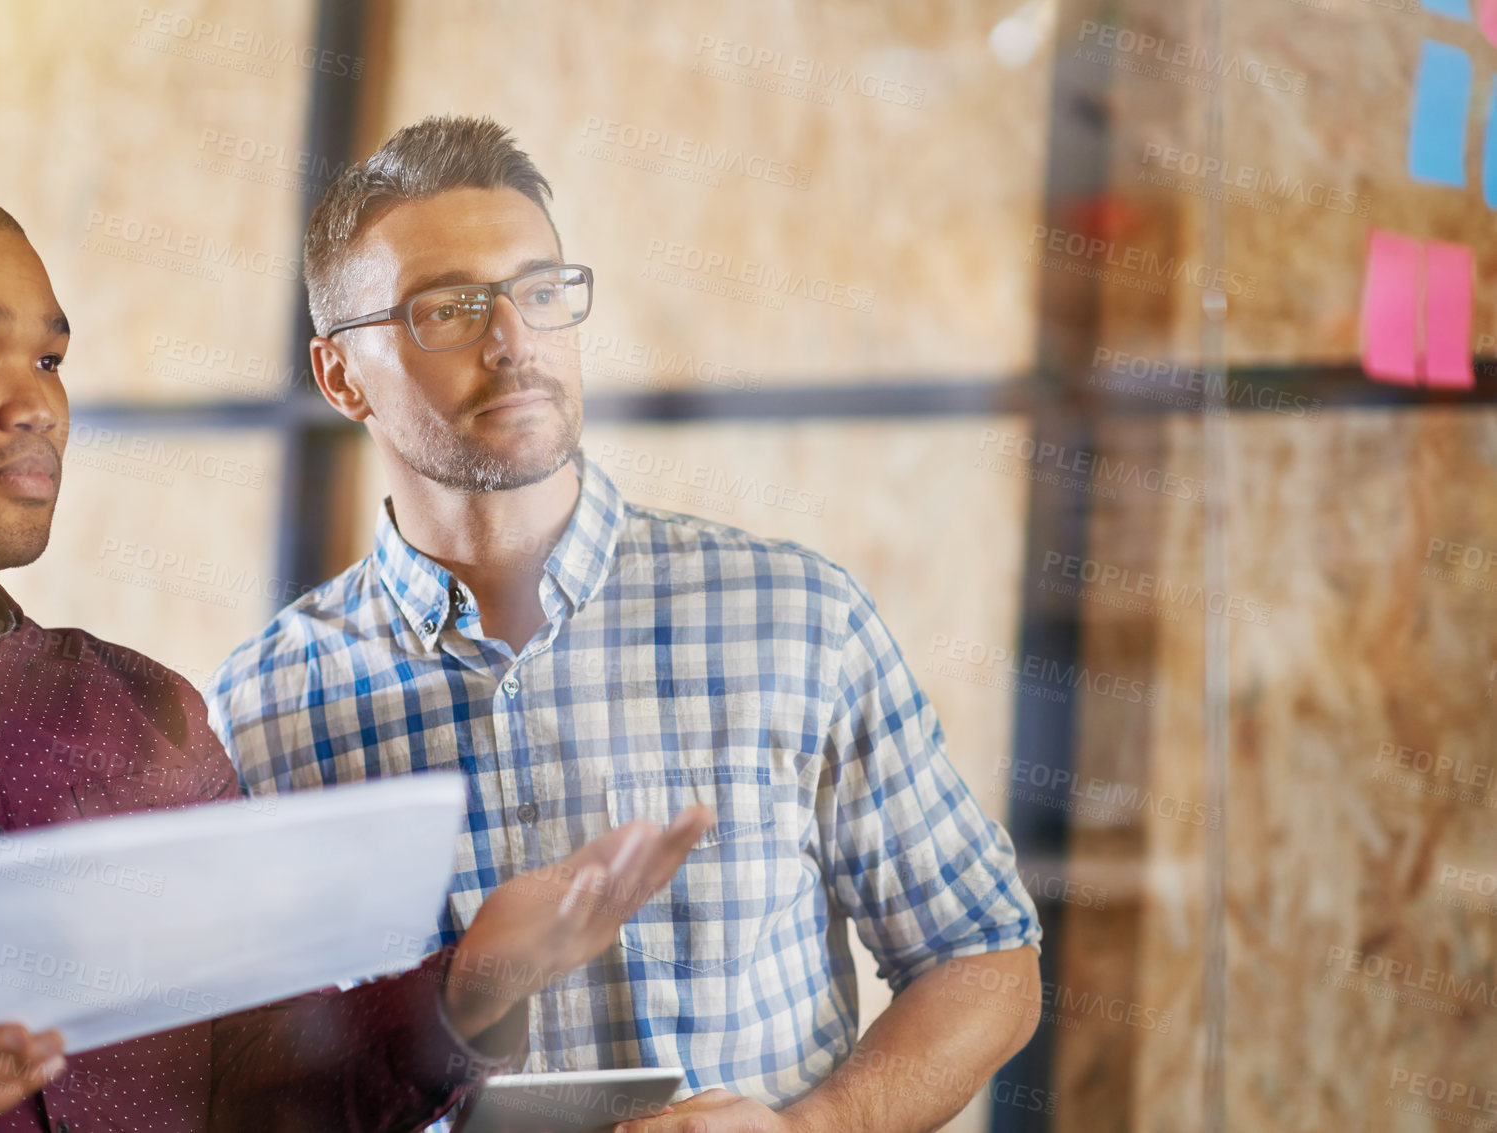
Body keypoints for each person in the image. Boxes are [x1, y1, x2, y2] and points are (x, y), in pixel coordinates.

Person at [0, 185, 713, 1133]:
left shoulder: (142, 712)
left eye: (52, 357)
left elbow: (261, 1079)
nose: (36, 402)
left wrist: (476, 981)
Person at [207, 116, 1046, 1133]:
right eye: (449, 308)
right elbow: (245, 1082)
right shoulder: (261, 709)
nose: (512, 338)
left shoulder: (793, 618)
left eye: (541, 290)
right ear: (340, 375)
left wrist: (813, 1128)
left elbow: (985, 956)